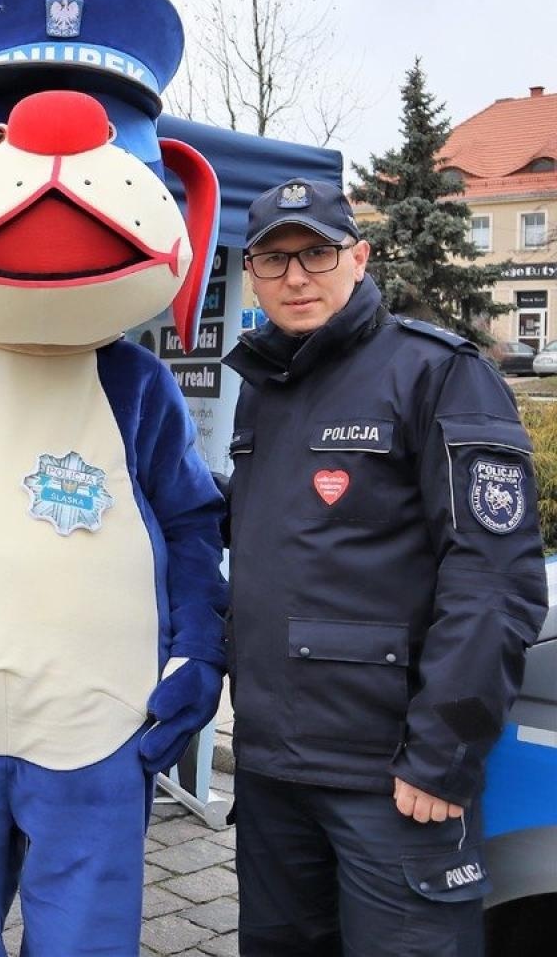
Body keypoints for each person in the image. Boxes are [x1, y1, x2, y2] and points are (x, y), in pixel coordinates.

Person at [222, 179, 548, 956]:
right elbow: (271, 535)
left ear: (360, 257)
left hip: (393, 779)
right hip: (272, 771)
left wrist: (442, 756)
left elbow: (495, 580)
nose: (296, 277)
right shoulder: (265, 387)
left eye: (317, 254)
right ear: (252, 274)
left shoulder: (436, 372)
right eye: (273, 260)